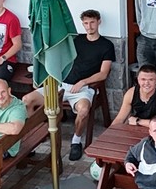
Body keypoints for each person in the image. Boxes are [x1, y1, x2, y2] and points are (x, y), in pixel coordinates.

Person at [35, 10, 115, 162]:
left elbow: (103, 73)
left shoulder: (106, 45)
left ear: (99, 22)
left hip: (83, 89)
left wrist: (83, 81)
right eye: (86, 23)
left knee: (83, 110)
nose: (89, 26)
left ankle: (76, 141)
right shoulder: (76, 40)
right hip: (61, 84)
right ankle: (33, 139)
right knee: (27, 100)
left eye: (92, 22)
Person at [89, 63, 156, 160]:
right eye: (143, 79)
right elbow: (119, 119)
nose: (147, 83)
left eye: (151, 80)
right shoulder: (131, 93)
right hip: (136, 132)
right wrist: (108, 138)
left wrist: (138, 121)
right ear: (138, 80)